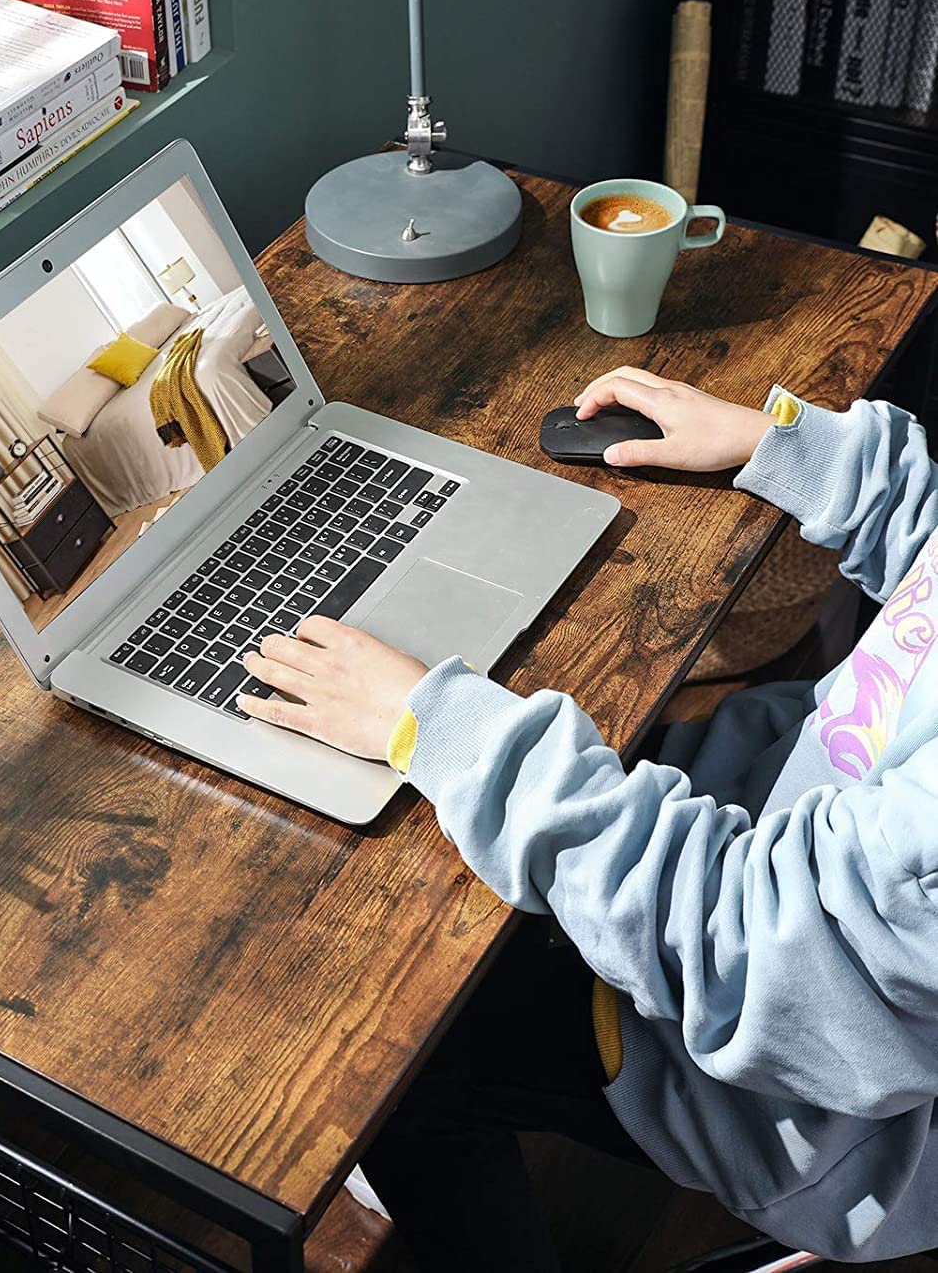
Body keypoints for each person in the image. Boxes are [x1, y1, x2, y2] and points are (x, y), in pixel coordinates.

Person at [234, 368, 938, 1269]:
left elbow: (757, 954)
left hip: (784, 1079)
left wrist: (438, 728)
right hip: (764, 824)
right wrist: (797, 451)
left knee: (396, 1057)